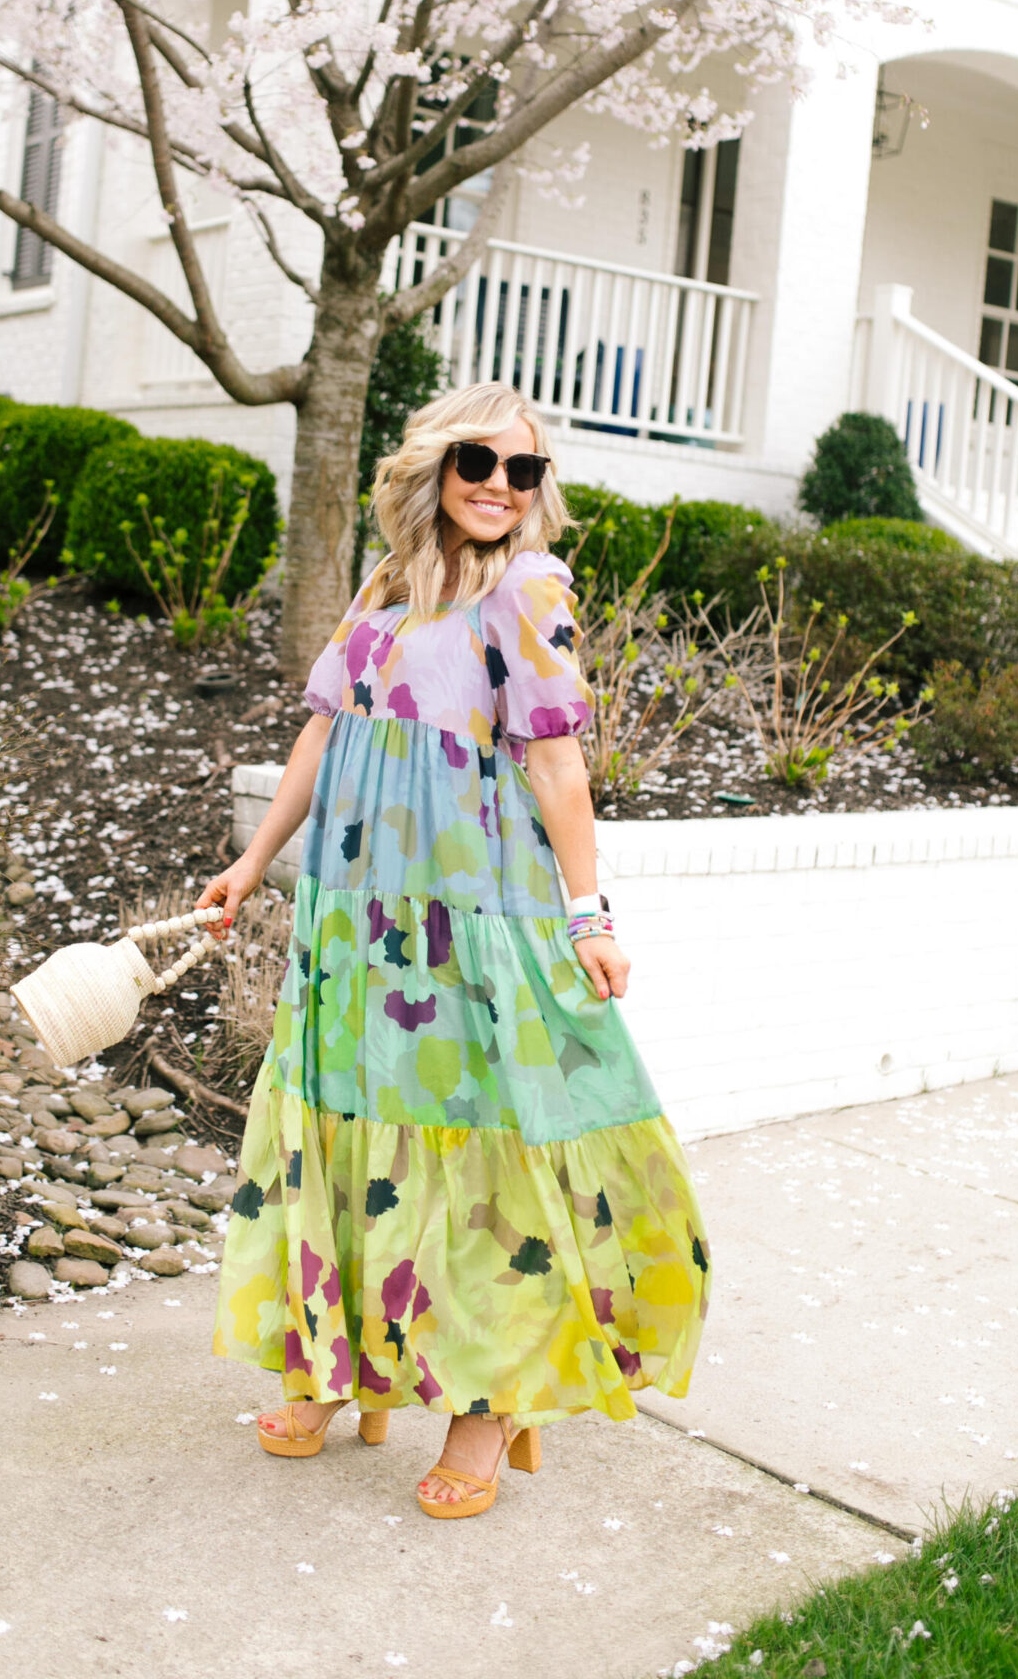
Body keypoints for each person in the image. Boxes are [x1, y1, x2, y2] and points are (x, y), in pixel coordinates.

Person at [201, 381, 709, 1519]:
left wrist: (589, 916)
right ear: (432, 467)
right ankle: (340, 1365)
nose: (498, 485)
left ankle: (487, 1404)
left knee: (484, 1141)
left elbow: (558, 766)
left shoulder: (528, 591)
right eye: (478, 460)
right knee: (344, 1125)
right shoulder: (383, 589)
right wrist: (252, 864)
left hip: (468, 913)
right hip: (353, 916)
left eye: (522, 471)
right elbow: (322, 733)